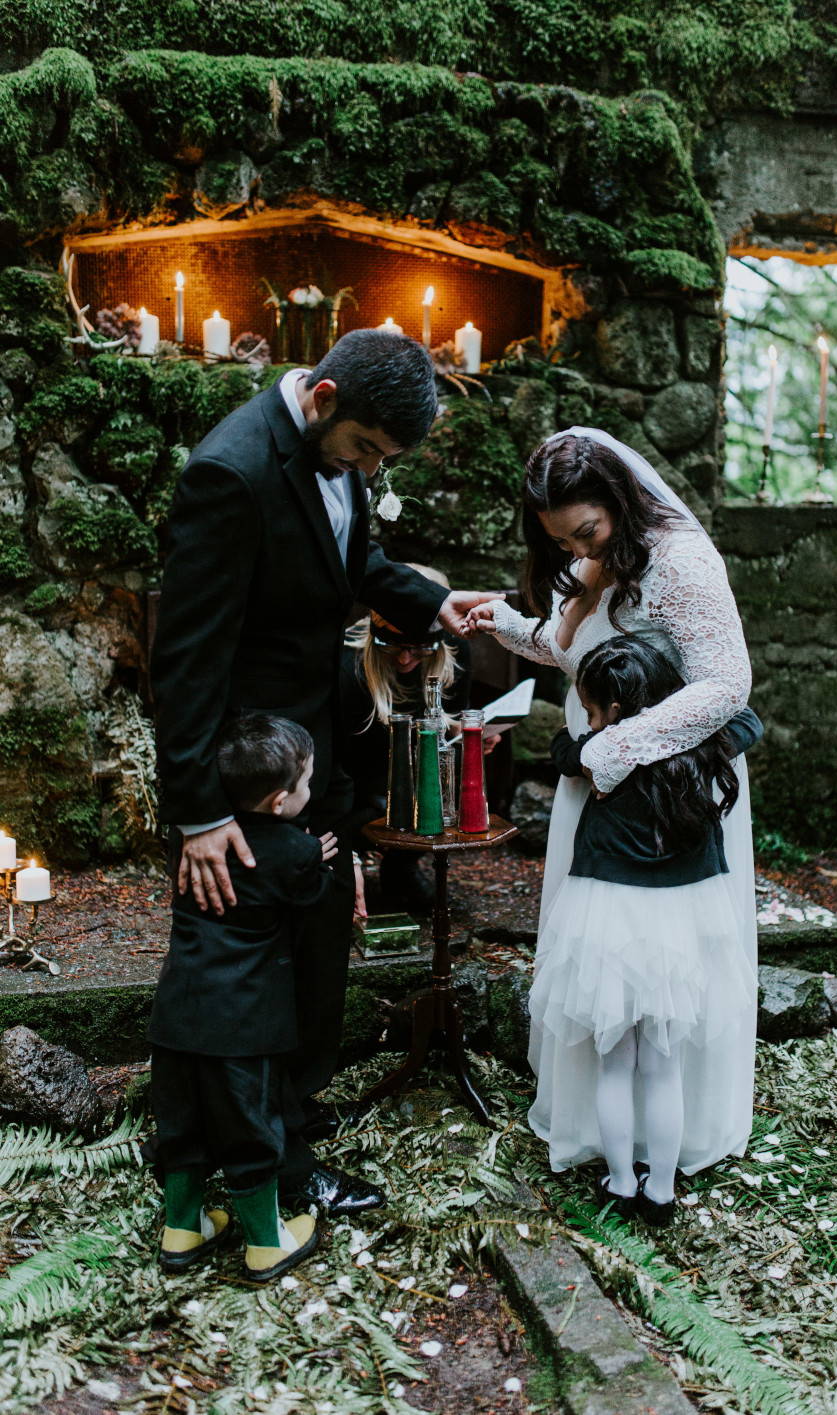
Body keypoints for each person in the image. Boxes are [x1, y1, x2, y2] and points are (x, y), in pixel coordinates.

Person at [150, 330, 501, 1216]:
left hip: (312, 752)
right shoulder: (228, 474)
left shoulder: (334, 451)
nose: (370, 468)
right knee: (255, 972)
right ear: (325, 394)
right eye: (367, 450)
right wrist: (198, 814)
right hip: (247, 776)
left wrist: (432, 600)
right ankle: (266, 1165)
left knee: (316, 952)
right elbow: (185, 660)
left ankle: (280, 1130)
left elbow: (355, 563)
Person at [465, 427, 758, 1183]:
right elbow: (579, 652)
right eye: (560, 539)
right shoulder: (601, 558)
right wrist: (496, 619)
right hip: (597, 796)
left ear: (619, 500)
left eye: (584, 531)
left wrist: (612, 751)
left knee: (655, 975)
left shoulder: (684, 563)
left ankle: (665, 1146)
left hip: (663, 803)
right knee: (600, 971)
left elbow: (726, 686)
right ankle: (604, 1133)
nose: (573, 550)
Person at [538, 638, 762, 1224]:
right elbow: (749, 718)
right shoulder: (709, 744)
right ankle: (660, 1192)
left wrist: (589, 736)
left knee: (615, 1061)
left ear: (612, 712)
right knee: (663, 1065)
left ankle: (618, 1181)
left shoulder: (597, 752)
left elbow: (562, 751)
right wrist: (687, 713)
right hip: (683, 916)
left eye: (591, 710)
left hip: (608, 915)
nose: (586, 723)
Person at [149, 714, 340, 1282]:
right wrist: (318, 861)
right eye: (307, 783)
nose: (311, 790)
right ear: (282, 801)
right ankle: (265, 1243)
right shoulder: (295, 853)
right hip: (245, 1023)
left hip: (178, 1014)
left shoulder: (193, 839)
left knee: (179, 1123)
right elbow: (312, 901)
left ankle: (181, 1231)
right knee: (251, 1127)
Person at [340, 564, 475, 913]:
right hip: (356, 787)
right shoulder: (348, 668)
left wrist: (467, 735)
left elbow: (452, 720)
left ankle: (402, 868)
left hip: (419, 779)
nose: (404, 658)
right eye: (391, 645)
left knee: (436, 789)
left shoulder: (456, 657)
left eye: (419, 648)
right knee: (394, 802)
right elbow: (333, 761)